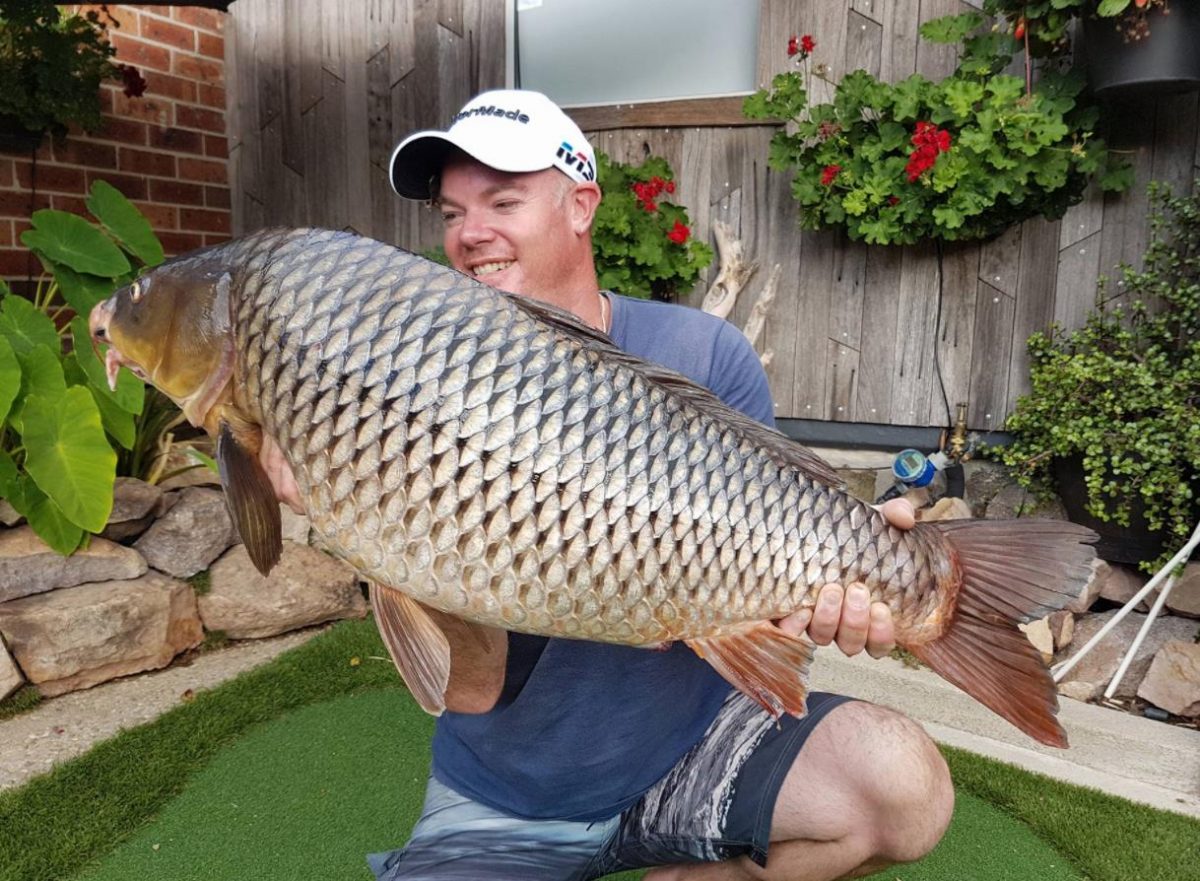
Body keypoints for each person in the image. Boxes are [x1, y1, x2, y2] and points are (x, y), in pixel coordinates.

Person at [265, 88, 953, 881]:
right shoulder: (406, 383)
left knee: (905, 788)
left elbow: (769, 585)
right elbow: (473, 689)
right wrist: (371, 521)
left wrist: (860, 580)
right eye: (451, 213)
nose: (470, 234)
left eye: (502, 200)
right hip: (511, 790)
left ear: (581, 204)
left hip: (692, 751)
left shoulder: (703, 353)